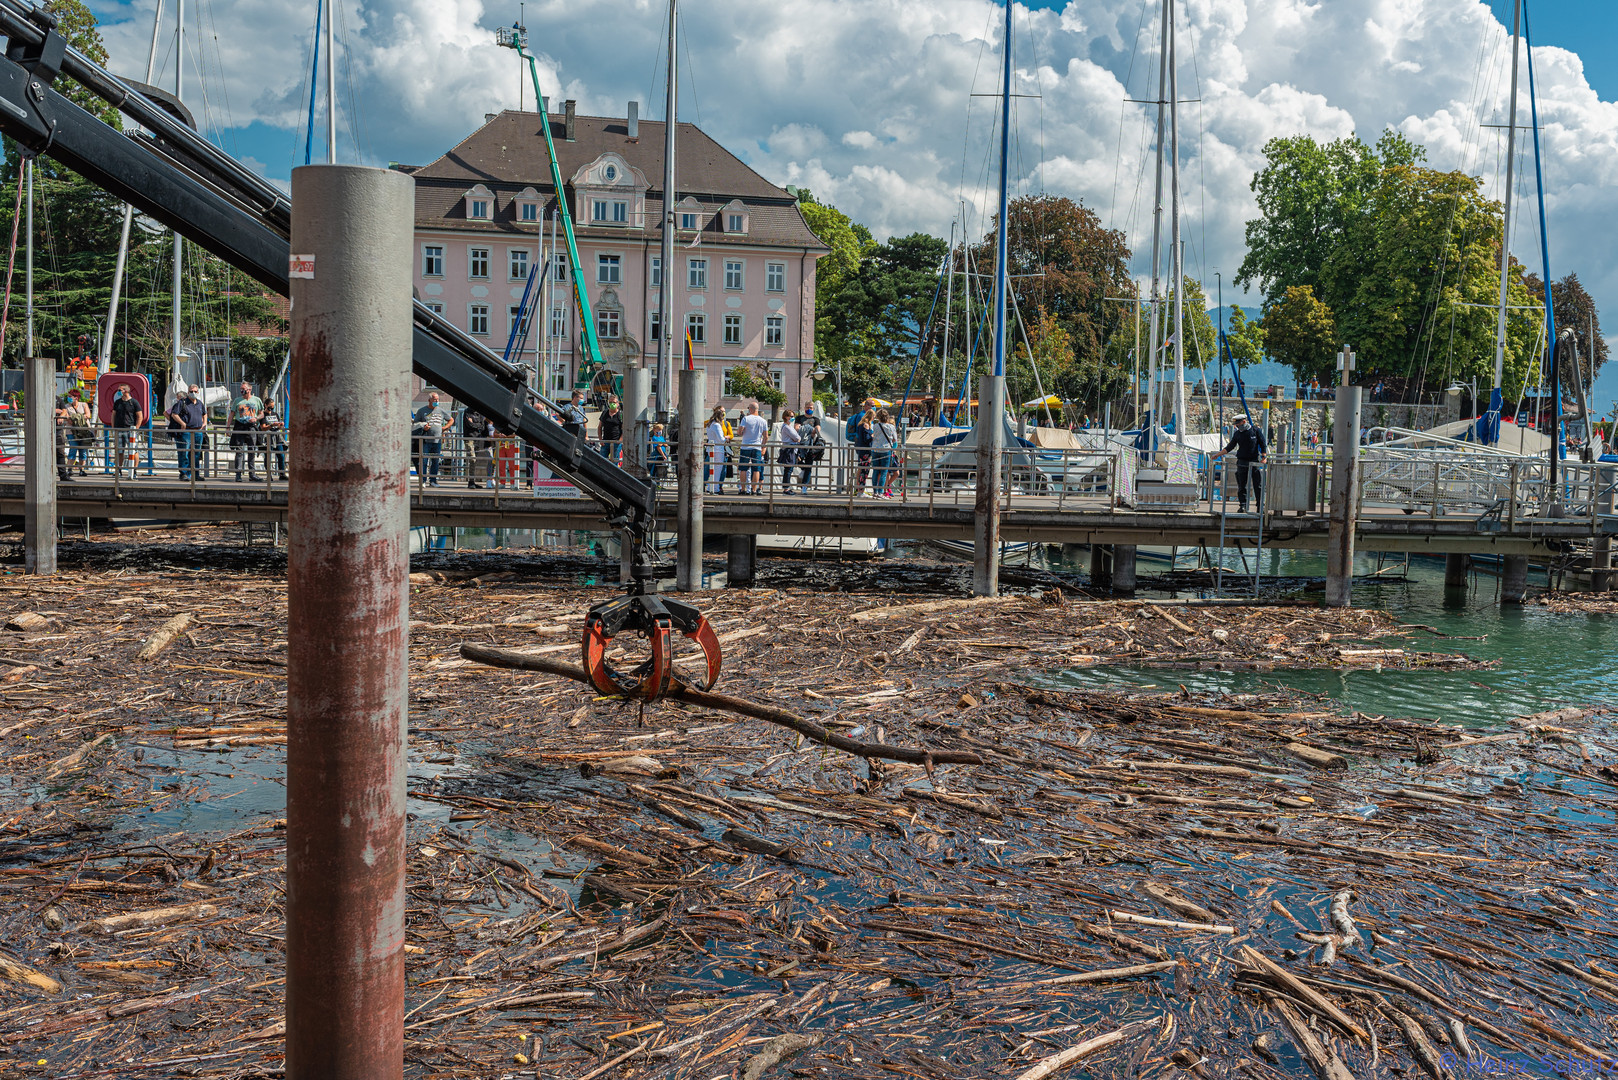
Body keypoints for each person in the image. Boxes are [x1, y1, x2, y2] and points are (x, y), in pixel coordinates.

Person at [1214, 413, 1267, 513]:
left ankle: (1260, 506)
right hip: (1242, 462)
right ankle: (1242, 505)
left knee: (1258, 485)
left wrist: (1264, 457)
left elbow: (1263, 444)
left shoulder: (1255, 431)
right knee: (1241, 485)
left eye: (1238, 424)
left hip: (1254, 461)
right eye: (1236, 425)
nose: (1237, 426)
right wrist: (1218, 454)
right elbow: (1230, 447)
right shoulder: (1237, 434)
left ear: (1244, 422)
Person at [412, 392, 450, 486]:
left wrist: (445, 428)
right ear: (429, 400)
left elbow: (451, 419)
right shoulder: (422, 411)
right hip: (425, 440)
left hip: (437, 440)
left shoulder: (441, 410)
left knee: (435, 461)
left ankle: (433, 481)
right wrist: (423, 427)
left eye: (438, 399)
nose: (437, 401)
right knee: (424, 461)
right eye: (435, 399)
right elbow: (415, 424)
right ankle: (423, 481)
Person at [230, 381, 262, 481]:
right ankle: (238, 474)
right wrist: (227, 427)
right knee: (239, 451)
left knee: (251, 450)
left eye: (243, 389)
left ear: (249, 389)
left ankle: (252, 474)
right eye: (241, 389)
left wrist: (256, 418)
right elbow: (231, 414)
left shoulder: (257, 400)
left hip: (251, 426)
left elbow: (262, 414)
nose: (241, 390)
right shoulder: (237, 400)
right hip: (240, 426)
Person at [111, 386, 145, 478]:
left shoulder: (134, 402)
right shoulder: (117, 402)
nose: (118, 391)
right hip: (119, 429)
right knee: (119, 451)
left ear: (125, 391)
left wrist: (136, 428)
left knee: (134, 450)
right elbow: (113, 415)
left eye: (119, 390)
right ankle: (119, 470)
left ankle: (134, 470)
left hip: (130, 430)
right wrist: (113, 428)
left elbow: (140, 416)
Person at [736, 402, 768, 494]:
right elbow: (766, 436)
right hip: (757, 447)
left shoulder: (746, 419)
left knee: (743, 468)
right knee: (756, 469)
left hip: (745, 446)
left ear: (750, 409)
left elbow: (739, 432)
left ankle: (743, 489)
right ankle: (754, 490)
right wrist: (763, 446)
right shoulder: (763, 421)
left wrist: (742, 432)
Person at [62, 388, 92, 475]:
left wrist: (75, 417)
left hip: (83, 431)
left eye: (70, 396)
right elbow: (69, 420)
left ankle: (81, 470)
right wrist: (80, 417)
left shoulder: (83, 405)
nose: (69, 398)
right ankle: (70, 469)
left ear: (76, 397)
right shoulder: (66, 407)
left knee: (83, 451)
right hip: (71, 431)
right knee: (73, 449)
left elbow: (88, 415)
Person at [463, 408, 495, 488]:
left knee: (475, 460)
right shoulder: (467, 412)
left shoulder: (479, 413)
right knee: (472, 459)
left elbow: (483, 426)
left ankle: (472, 481)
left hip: (478, 439)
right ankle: (471, 482)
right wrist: (477, 425)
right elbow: (469, 425)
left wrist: (474, 424)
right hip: (469, 438)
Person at [870, 407, 898, 497]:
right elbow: (895, 440)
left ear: (878, 417)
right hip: (886, 450)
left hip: (875, 449)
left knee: (875, 471)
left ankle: (875, 491)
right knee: (884, 472)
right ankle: (880, 492)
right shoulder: (891, 427)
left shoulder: (875, 426)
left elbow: (873, 436)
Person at [259, 399, 288, 481]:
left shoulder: (275, 414)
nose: (271, 408)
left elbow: (279, 426)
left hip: (277, 437)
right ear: (265, 405)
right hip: (268, 437)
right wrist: (271, 425)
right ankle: (269, 475)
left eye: (273, 407)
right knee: (268, 456)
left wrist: (280, 425)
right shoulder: (263, 415)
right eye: (270, 407)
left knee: (281, 455)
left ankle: (282, 474)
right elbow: (263, 428)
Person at [796, 416, 825, 490]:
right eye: (808, 407)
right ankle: (803, 468)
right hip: (800, 445)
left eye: (811, 408)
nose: (809, 409)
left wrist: (804, 429)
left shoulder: (816, 419)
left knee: (809, 466)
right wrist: (810, 430)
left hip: (812, 445)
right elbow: (796, 428)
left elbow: (817, 429)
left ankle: (804, 486)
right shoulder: (800, 418)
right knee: (795, 460)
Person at [705, 406, 729, 494]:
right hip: (718, 449)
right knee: (717, 469)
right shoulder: (717, 425)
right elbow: (721, 439)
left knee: (712, 469)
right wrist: (726, 438)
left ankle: (709, 487)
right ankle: (715, 488)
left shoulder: (709, 424)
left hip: (711, 449)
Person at [777, 411, 801, 493]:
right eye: (791, 416)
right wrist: (797, 438)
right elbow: (797, 438)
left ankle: (787, 486)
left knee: (789, 469)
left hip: (792, 449)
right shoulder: (786, 427)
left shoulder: (789, 426)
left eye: (793, 416)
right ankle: (786, 488)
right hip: (788, 449)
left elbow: (797, 437)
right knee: (788, 469)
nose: (792, 417)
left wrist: (797, 438)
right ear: (786, 417)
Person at [598, 398, 623, 462]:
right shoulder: (605, 412)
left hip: (616, 442)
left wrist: (620, 441)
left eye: (614, 402)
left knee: (615, 461)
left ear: (617, 404)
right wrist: (600, 439)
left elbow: (624, 429)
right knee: (602, 461)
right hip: (605, 441)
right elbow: (600, 426)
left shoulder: (621, 414)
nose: (612, 404)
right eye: (610, 402)